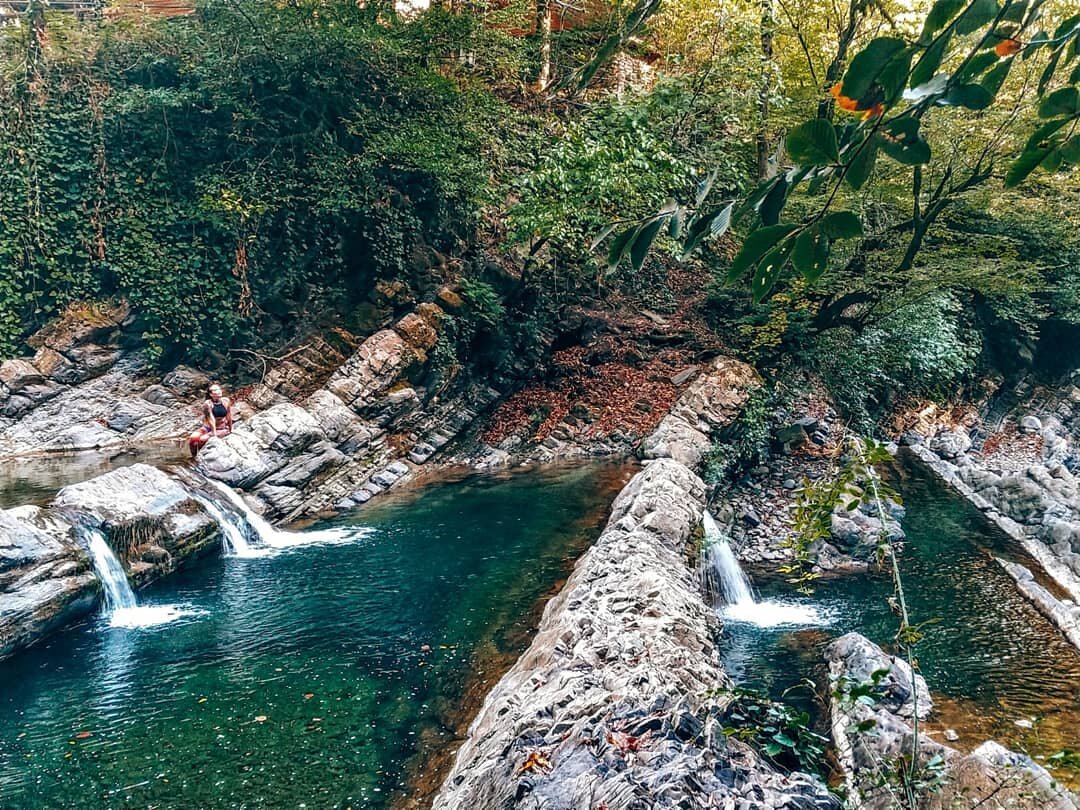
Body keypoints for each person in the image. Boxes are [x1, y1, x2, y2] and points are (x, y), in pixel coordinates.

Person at [188, 384, 233, 458]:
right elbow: (210, 419)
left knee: (202, 439)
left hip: (221, 428)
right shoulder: (208, 403)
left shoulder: (226, 401)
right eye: (215, 390)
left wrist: (230, 429)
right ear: (211, 394)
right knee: (193, 438)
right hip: (207, 427)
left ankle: (200, 456)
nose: (218, 391)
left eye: (219, 389)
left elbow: (229, 415)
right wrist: (213, 433)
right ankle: (194, 457)